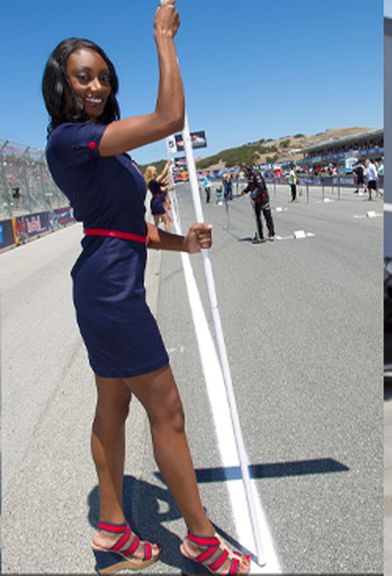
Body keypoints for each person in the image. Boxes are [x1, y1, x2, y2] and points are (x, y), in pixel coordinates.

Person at [42, 3, 251, 574]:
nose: (97, 84)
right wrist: (164, 38)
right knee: (169, 413)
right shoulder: (72, 140)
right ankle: (201, 539)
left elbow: (125, 224)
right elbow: (169, 115)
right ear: (61, 84)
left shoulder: (102, 143)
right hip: (111, 289)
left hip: (106, 276)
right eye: (83, 75)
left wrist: (182, 243)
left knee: (113, 408)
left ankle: (111, 531)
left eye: (104, 76)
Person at [242, 165, 276, 242]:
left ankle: (271, 234)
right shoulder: (249, 177)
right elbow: (250, 186)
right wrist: (245, 191)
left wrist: (253, 194)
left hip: (263, 199)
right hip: (256, 201)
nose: (244, 173)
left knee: (267, 216)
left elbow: (261, 187)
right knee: (258, 218)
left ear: (248, 169)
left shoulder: (256, 175)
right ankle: (260, 235)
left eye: (244, 171)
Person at [144, 163, 171, 230]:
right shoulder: (153, 181)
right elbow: (162, 174)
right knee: (167, 221)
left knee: (156, 222)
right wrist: (167, 165)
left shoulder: (150, 182)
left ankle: (154, 237)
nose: (155, 172)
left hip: (155, 201)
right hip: (158, 201)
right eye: (154, 171)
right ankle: (166, 238)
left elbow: (161, 188)